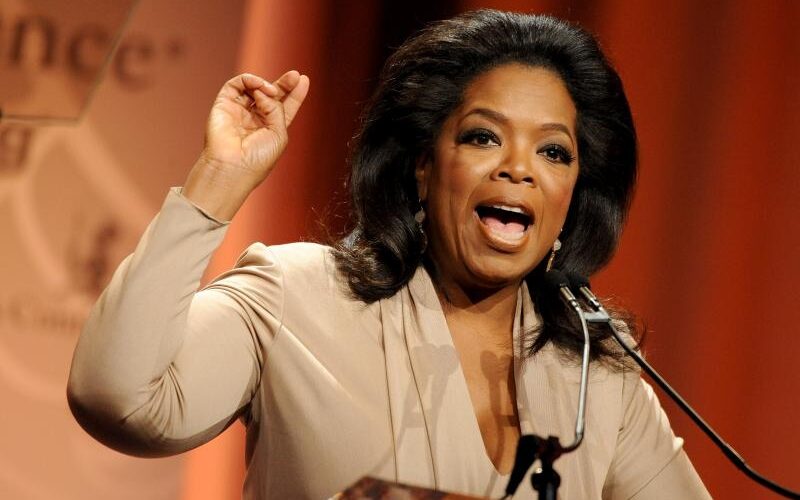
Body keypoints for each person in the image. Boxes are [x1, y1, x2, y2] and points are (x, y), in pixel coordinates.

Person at [67, 9, 711, 500]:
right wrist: (217, 181)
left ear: (574, 195)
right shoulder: (296, 296)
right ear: (423, 167)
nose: (519, 169)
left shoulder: (598, 373)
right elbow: (118, 399)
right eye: (483, 137)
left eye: (553, 152)